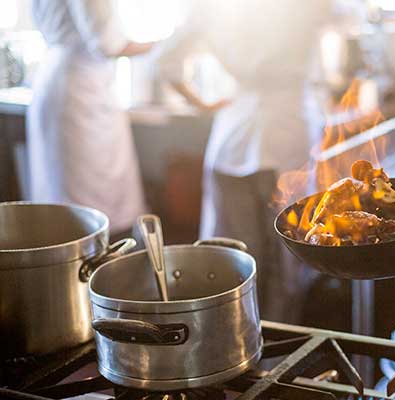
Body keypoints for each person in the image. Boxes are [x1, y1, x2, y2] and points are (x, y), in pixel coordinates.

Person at [156, 0, 330, 322]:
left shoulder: (214, 9)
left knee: (234, 257)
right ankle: (280, 344)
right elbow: (353, 16)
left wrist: (203, 104)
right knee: (289, 255)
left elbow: (165, 62)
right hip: (288, 131)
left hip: (233, 135)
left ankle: (234, 342)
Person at [28, 0, 154, 234]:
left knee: (62, 195)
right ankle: (98, 262)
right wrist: (164, 44)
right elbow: (107, 43)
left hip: (56, 80)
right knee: (91, 204)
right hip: (81, 88)